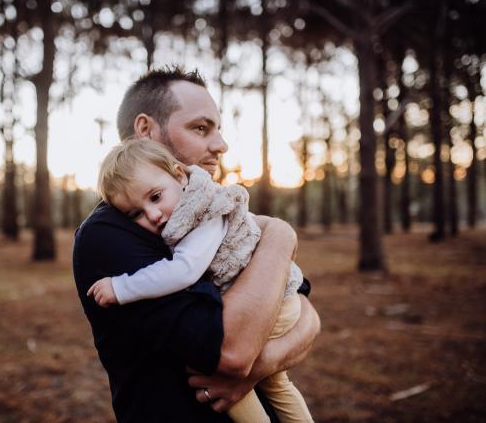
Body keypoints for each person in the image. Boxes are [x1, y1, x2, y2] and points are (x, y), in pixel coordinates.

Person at [73, 67, 320, 423]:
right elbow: (231, 352)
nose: (220, 144)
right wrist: (280, 238)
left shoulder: (204, 210)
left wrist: (261, 364)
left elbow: (304, 311)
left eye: (217, 129)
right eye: (200, 128)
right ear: (145, 131)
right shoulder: (108, 234)